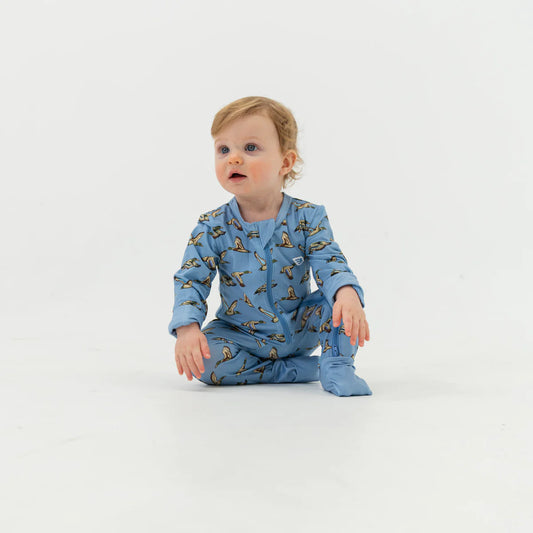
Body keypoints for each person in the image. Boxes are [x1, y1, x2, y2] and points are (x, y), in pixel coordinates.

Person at [168, 96, 372, 397]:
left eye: (250, 148)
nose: (233, 159)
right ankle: (293, 370)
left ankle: (337, 365)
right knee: (205, 361)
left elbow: (330, 262)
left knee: (341, 301)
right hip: (240, 335)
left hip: (300, 327)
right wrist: (187, 329)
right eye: (223, 149)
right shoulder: (211, 227)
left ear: (285, 162)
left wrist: (346, 293)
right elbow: (191, 279)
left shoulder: (308, 217)